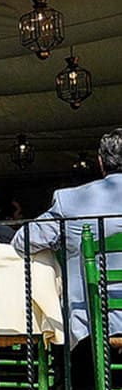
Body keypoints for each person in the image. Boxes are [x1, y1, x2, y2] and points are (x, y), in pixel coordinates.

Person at [13, 128, 122, 348]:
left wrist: (61, 240)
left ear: (101, 163)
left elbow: (22, 241)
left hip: (94, 326)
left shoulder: (71, 201)